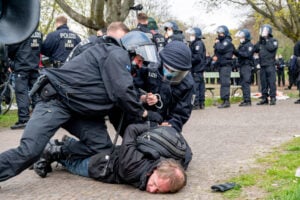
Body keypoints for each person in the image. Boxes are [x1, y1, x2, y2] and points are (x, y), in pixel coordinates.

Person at [0, 31, 160, 183]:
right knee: (29, 151)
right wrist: (143, 113)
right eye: (139, 60)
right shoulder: (117, 54)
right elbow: (122, 91)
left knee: (103, 149)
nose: (140, 65)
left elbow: (119, 88)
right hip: (57, 101)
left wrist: (141, 97)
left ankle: (56, 150)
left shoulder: (114, 60)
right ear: (131, 50)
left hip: (80, 110)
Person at [34, 124, 187, 193]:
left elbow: (181, 165)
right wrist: (153, 127)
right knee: (71, 164)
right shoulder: (133, 166)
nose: (152, 189)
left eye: (159, 190)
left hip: (111, 155)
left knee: (80, 152)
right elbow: (131, 129)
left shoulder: (160, 162)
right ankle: (48, 150)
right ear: (155, 169)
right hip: (98, 167)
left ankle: (67, 143)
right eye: (154, 183)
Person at [7, 30, 43, 129]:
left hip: (22, 67)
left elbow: (11, 49)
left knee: (21, 93)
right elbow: (40, 48)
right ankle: (38, 118)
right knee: (36, 93)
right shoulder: (39, 33)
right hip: (35, 67)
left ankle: (24, 119)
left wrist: (11, 63)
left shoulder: (21, 31)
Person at [254, 24, 278, 105]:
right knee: (263, 83)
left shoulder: (273, 40)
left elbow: (271, 48)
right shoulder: (261, 42)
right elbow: (255, 49)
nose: (263, 32)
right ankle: (264, 98)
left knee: (271, 82)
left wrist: (266, 40)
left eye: (265, 31)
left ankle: (273, 98)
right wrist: (260, 40)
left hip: (270, 65)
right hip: (262, 65)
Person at [213, 25, 235, 108]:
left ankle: (226, 101)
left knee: (225, 83)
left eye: (221, 33)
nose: (219, 35)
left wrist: (217, 43)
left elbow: (221, 48)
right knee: (223, 83)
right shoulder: (221, 42)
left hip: (226, 65)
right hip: (221, 65)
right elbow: (217, 51)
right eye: (218, 33)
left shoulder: (227, 41)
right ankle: (224, 100)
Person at [186, 27, 207, 109]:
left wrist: (188, 61)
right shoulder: (195, 43)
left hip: (196, 68)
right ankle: (201, 103)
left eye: (192, 35)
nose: (191, 36)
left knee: (196, 87)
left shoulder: (198, 44)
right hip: (199, 69)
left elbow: (197, 57)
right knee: (200, 86)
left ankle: (196, 103)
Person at [234, 29, 255, 106]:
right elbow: (239, 55)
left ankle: (248, 100)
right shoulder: (241, 45)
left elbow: (247, 55)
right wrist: (235, 51)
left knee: (246, 82)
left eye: (242, 37)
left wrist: (237, 52)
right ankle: (245, 99)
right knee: (243, 83)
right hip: (241, 66)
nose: (241, 38)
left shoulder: (249, 45)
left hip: (247, 66)